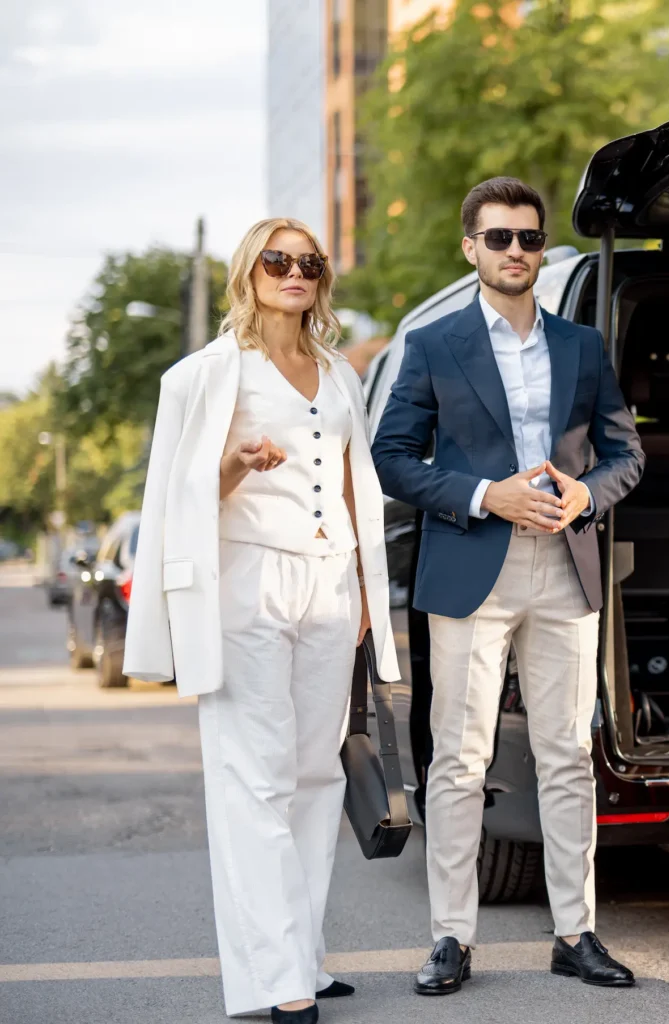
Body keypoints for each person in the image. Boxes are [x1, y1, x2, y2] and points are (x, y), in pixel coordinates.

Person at [372, 177, 644, 996]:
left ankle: (575, 934)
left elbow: (626, 455)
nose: (516, 251)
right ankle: (451, 938)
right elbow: (393, 458)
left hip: (564, 567)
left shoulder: (583, 346)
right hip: (471, 568)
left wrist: (585, 494)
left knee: (567, 755)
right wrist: (485, 495)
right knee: (460, 760)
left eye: (528, 237)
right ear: (472, 248)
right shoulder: (434, 344)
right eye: (499, 238)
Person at [124, 218, 399, 1024]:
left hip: (330, 586)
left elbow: (352, 482)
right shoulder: (205, 375)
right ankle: (278, 979)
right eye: (277, 260)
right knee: (254, 778)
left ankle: (302, 955)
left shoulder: (339, 373)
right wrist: (233, 466)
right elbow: (173, 501)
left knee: (316, 775)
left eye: (308, 261)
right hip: (245, 583)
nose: (294, 272)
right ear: (249, 273)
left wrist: (362, 591)